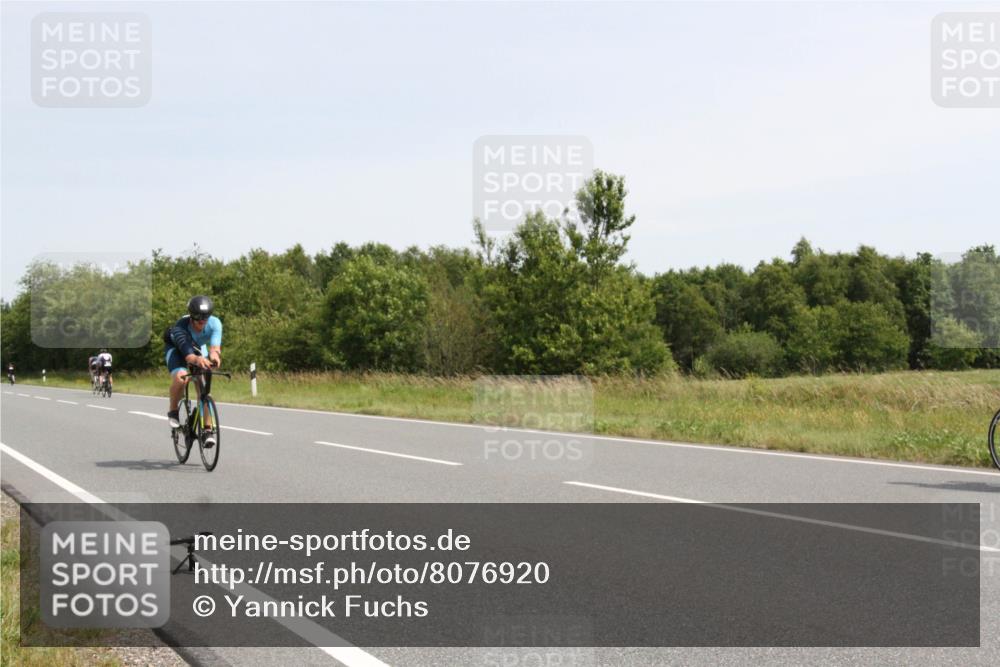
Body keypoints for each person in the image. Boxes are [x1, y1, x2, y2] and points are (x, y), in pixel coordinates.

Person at [164, 295, 223, 446]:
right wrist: (199, 360)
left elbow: (215, 348)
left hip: (197, 347)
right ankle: (173, 412)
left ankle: (208, 430)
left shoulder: (215, 323)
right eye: (198, 317)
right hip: (178, 349)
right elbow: (190, 356)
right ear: (191, 315)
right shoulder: (180, 327)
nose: (202, 321)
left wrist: (215, 357)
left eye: (206, 317)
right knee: (182, 377)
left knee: (203, 389)